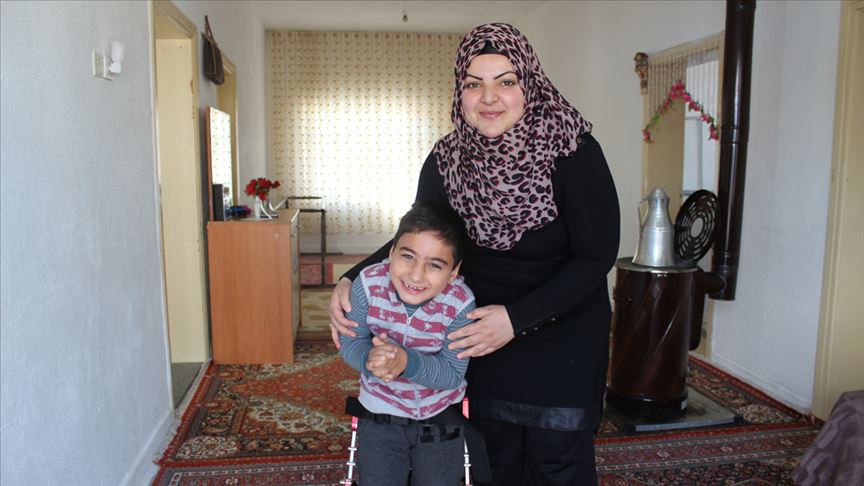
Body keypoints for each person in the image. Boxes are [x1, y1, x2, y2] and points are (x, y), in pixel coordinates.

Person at [331, 23, 620, 486]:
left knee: (558, 464)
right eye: (473, 84)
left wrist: (515, 320)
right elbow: (417, 238)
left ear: (529, 84)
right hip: (479, 337)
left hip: (562, 336)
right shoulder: (447, 160)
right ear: (459, 92)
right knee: (492, 462)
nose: (489, 98)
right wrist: (350, 277)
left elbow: (595, 257)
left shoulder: (573, 153)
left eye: (506, 81)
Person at [339, 201, 478, 486]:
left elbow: (452, 374)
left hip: (440, 416)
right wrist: (368, 359)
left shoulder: (461, 303)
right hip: (379, 414)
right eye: (408, 257)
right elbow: (349, 341)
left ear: (454, 271)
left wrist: (406, 363)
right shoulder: (367, 284)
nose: (416, 275)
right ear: (391, 253)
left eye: (434, 265)